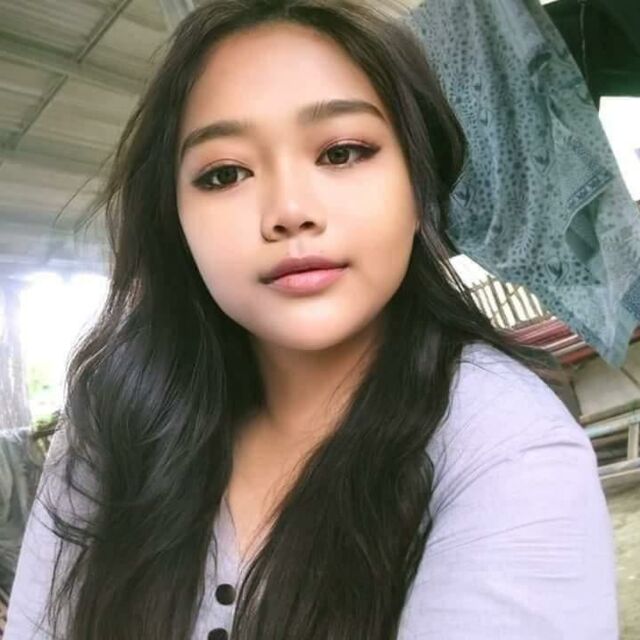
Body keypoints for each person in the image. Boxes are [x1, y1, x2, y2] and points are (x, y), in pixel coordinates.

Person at [4, 1, 618, 638]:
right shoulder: (110, 422)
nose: (290, 211)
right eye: (225, 173)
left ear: (418, 184)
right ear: (175, 220)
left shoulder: (506, 442)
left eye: (343, 152)